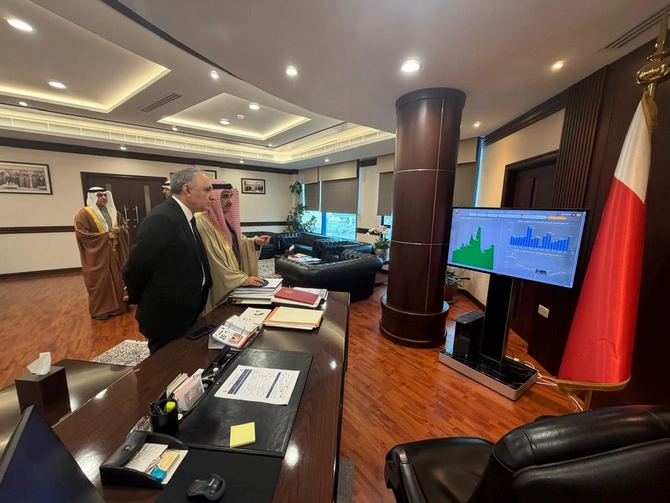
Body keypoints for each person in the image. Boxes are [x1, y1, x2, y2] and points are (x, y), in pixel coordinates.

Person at [123, 168, 215, 353]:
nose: (212, 196)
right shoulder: (162, 217)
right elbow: (136, 266)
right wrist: (140, 297)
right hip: (166, 315)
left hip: (186, 309)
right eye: (207, 190)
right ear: (187, 190)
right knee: (165, 364)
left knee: (184, 359)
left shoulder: (187, 216)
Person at [195, 181, 271, 316]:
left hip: (233, 278)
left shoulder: (224, 219)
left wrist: (254, 242)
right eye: (225, 196)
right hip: (218, 288)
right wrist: (241, 279)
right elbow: (214, 261)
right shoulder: (202, 222)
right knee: (218, 318)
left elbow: (236, 241)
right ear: (213, 197)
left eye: (230, 196)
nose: (230, 201)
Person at [74, 187, 130, 320]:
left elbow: (124, 226)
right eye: (100, 195)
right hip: (98, 255)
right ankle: (101, 310)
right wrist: (106, 236)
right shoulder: (84, 213)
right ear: (92, 197)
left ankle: (121, 306)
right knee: (101, 281)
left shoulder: (114, 212)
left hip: (115, 253)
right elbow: (82, 233)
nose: (103, 198)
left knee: (118, 278)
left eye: (105, 195)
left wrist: (120, 230)